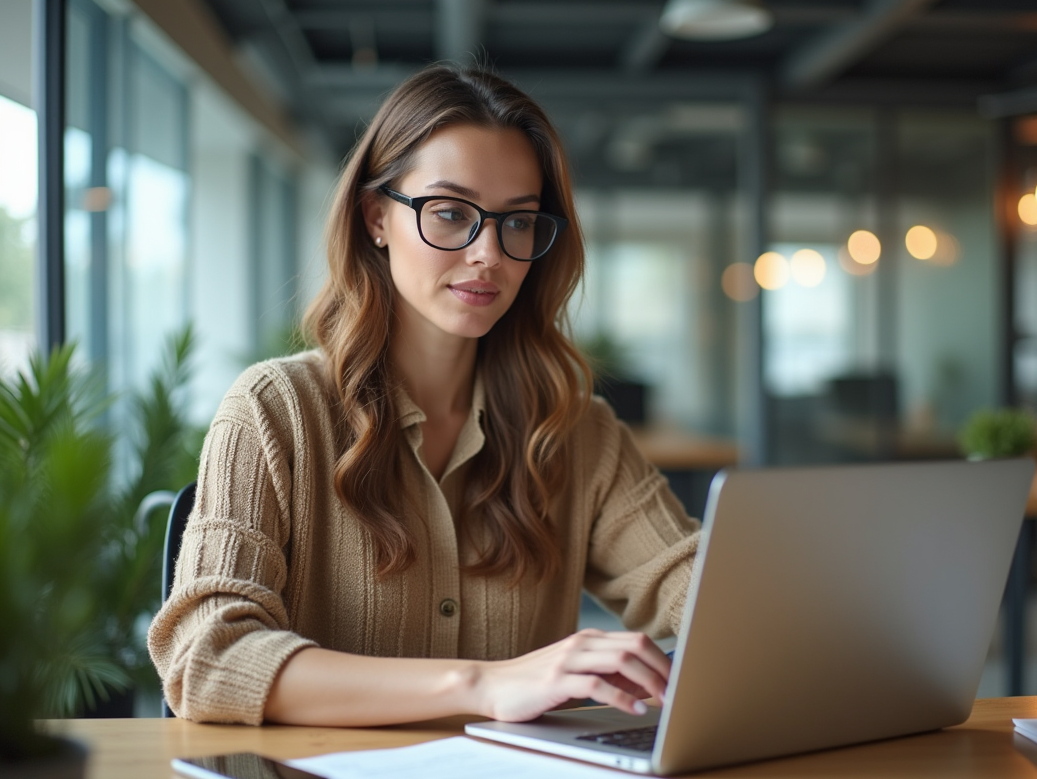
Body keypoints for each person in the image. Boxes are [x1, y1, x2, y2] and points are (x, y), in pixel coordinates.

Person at [148, 64, 700, 727]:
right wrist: (482, 685)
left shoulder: (576, 430)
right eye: (449, 213)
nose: (489, 254)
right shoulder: (275, 412)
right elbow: (208, 658)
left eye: (518, 223)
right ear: (377, 217)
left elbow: (697, 588)